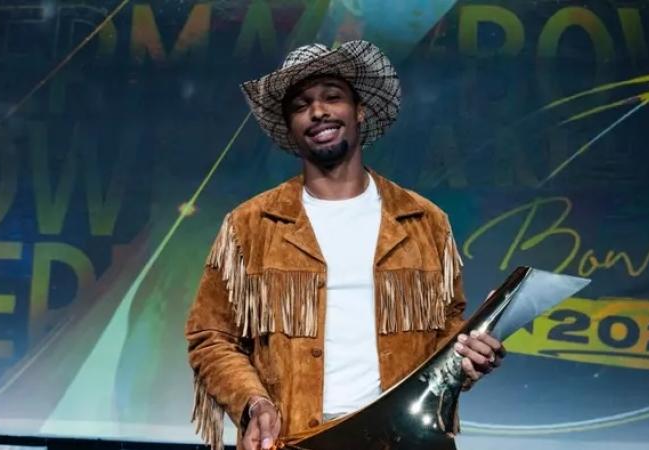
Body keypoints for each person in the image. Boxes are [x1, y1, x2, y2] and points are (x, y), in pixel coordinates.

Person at [185, 40, 505, 450]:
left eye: (332, 97)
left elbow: (443, 334)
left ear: (360, 111)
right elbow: (212, 336)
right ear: (290, 127)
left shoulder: (423, 220)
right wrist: (254, 403)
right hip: (296, 439)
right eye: (301, 105)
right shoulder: (251, 225)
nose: (318, 111)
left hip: (405, 440)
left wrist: (473, 346)